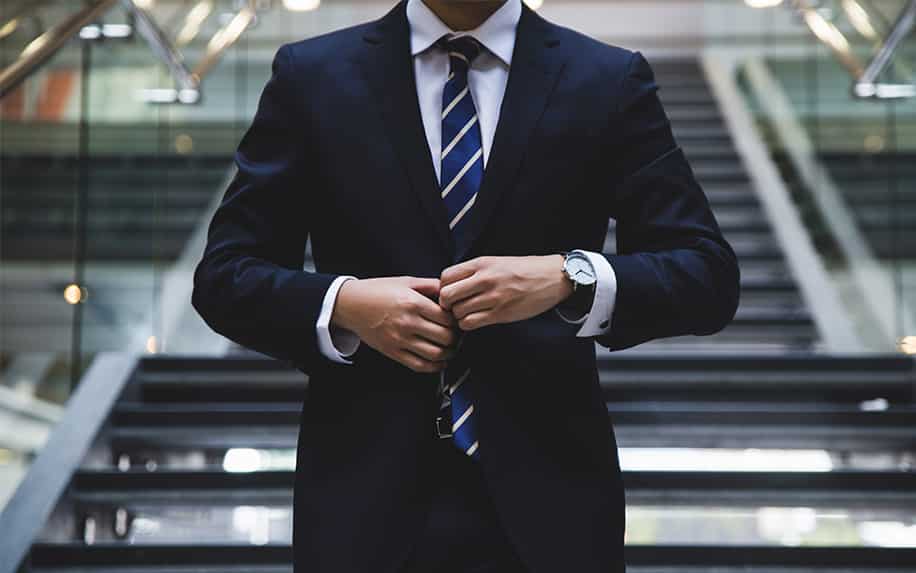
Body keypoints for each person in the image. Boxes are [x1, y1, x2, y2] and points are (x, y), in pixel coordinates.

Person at [191, 0, 740, 571]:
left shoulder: (607, 77)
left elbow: (707, 274)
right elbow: (226, 275)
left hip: (554, 505)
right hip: (361, 500)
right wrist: (346, 305)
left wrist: (567, 275)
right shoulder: (313, 75)